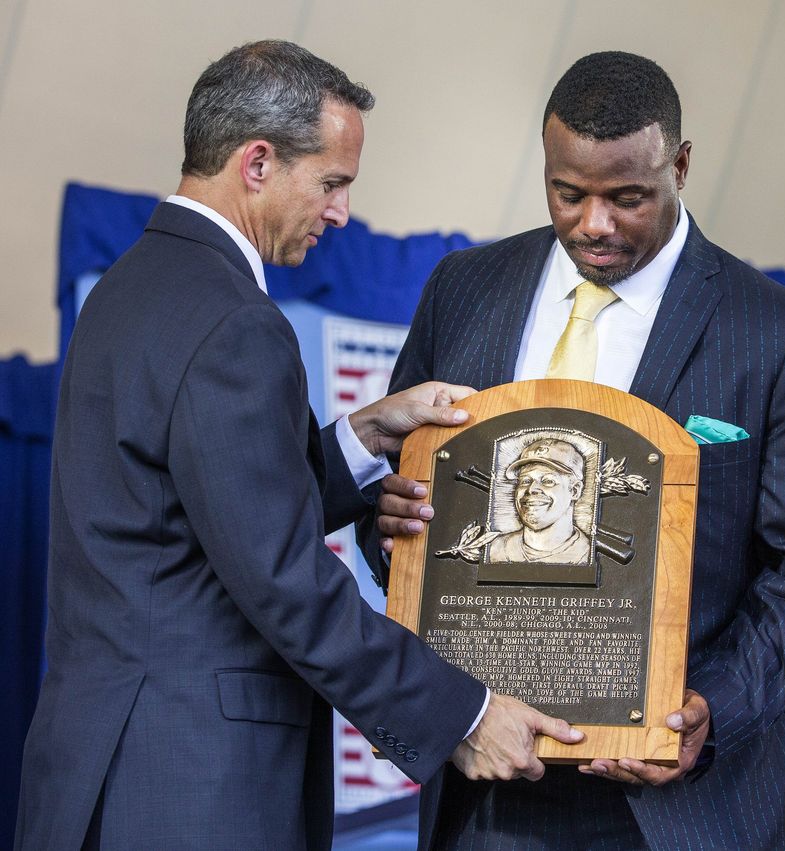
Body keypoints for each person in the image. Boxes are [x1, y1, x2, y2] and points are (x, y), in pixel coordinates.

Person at [14, 40, 581, 851]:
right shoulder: (237, 322)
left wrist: (363, 435)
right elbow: (285, 581)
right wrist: (467, 711)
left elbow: (193, 518)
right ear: (256, 162)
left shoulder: (126, 290)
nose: (342, 212)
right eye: (333, 182)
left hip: (105, 769)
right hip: (194, 789)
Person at [373, 51, 785, 850]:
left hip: (680, 807)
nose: (594, 223)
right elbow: (401, 516)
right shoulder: (464, 288)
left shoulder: (780, 333)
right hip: (488, 796)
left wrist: (716, 705)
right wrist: (392, 522)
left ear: (680, 166)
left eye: (627, 197)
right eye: (568, 193)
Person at [488, 437, 592, 564]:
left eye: (548, 481)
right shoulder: (495, 550)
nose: (531, 489)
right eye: (525, 481)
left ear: (575, 490)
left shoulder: (588, 555)